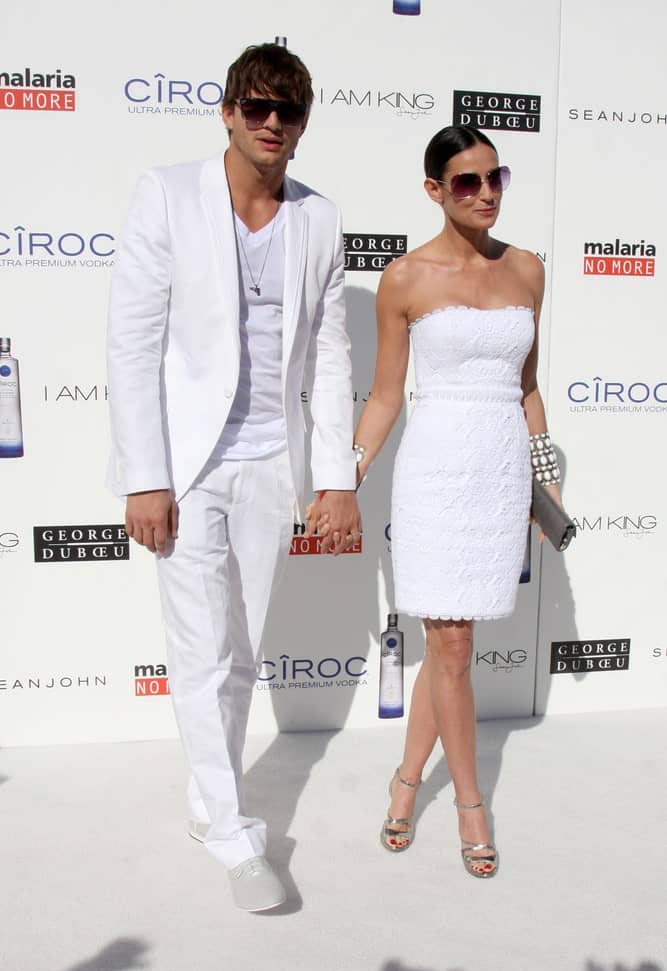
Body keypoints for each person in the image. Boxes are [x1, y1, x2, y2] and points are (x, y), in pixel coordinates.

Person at [106, 42, 361, 912]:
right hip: (184, 462)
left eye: (287, 110)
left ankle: (204, 803)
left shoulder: (318, 219)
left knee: (242, 652)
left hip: (268, 458)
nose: (271, 123)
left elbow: (329, 356)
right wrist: (145, 475)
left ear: (303, 120)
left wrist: (336, 477)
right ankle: (231, 831)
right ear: (226, 111)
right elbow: (133, 344)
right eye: (255, 106)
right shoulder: (168, 194)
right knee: (196, 649)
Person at [310, 124, 563, 878]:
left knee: (452, 652)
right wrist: (343, 478)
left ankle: (402, 783)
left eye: (494, 178)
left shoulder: (526, 270)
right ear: (434, 191)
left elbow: (526, 387)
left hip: (499, 477)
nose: (484, 194)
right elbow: (386, 396)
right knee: (451, 649)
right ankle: (469, 805)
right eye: (465, 182)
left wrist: (545, 482)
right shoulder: (405, 277)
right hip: (434, 479)